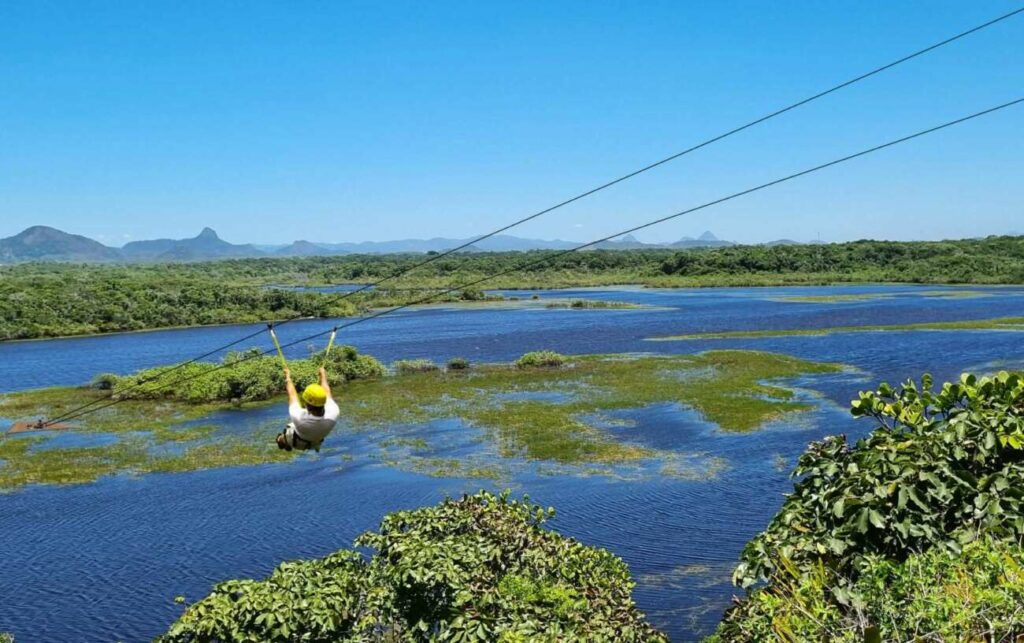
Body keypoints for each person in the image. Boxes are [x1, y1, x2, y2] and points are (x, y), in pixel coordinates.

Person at [276, 366, 339, 452]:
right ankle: (315, 445)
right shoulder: (334, 412)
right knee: (312, 435)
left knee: (280, 439)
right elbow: (327, 391)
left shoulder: (299, 418)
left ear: (308, 405)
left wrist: (288, 377)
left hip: (297, 442)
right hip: (316, 439)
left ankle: (283, 443)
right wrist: (323, 375)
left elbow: (292, 395)